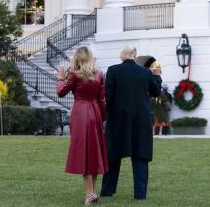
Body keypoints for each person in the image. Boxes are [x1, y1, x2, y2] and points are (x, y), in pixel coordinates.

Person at [101, 46, 161, 201]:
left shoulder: (113, 70)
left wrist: (105, 116)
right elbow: (156, 92)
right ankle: (140, 194)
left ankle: (107, 190)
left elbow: (108, 96)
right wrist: (157, 76)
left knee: (113, 155)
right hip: (140, 120)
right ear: (134, 55)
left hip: (117, 119)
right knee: (140, 155)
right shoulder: (146, 72)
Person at [57, 46, 108, 205]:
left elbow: (61, 92)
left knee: (84, 154)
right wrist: (101, 117)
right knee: (94, 153)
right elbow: (102, 100)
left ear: (77, 59)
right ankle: (92, 193)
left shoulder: (74, 75)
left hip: (80, 114)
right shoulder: (98, 75)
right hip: (95, 113)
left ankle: (89, 195)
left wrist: (60, 78)